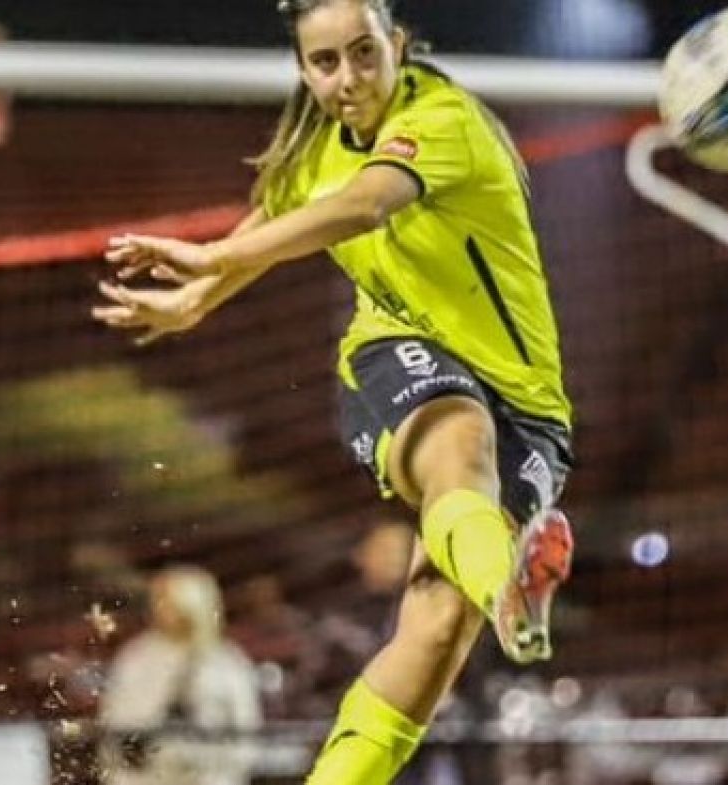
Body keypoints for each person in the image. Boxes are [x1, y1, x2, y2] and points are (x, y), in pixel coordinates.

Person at [92, 0, 577, 780]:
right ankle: (510, 583)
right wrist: (198, 295)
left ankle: (493, 594)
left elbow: (365, 203)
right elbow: (272, 220)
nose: (347, 78)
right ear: (304, 70)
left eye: (363, 53)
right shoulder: (317, 149)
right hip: (393, 358)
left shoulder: (443, 118)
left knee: (435, 623)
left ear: (399, 46)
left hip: (530, 406)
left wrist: (208, 268)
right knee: (461, 437)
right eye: (325, 62)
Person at [97, 565, 262, 785]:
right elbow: (115, 728)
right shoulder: (137, 656)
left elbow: (244, 733)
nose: (161, 608)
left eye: (169, 600)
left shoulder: (226, 661)